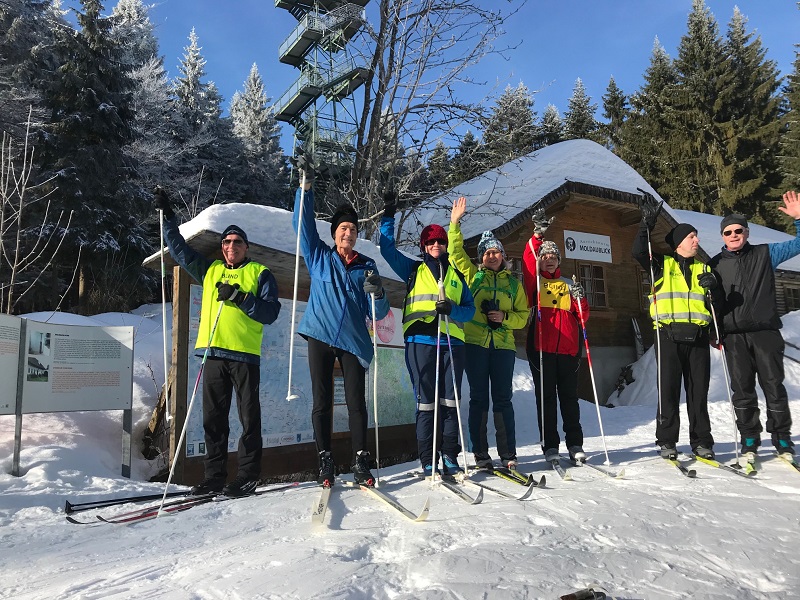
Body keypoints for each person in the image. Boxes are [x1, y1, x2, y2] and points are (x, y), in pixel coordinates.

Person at [153, 188, 281, 497]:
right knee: (213, 420)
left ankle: (248, 475)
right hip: (212, 353)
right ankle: (214, 476)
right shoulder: (210, 270)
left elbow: (269, 313)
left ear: (245, 246)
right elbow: (179, 250)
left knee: (249, 419)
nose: (231, 246)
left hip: (245, 356)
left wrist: (238, 296)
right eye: (226, 241)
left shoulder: (259, 272)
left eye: (237, 242)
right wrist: (168, 216)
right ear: (221, 247)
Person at [291, 157, 390, 488]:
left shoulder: (367, 265)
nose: (348, 233)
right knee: (321, 402)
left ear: (357, 235)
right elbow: (301, 227)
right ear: (334, 234)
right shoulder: (320, 255)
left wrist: (379, 294)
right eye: (342, 228)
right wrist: (306, 187)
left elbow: (377, 313)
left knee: (355, 403)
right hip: (319, 333)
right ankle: (325, 460)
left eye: (352, 229)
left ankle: (361, 460)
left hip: (353, 340)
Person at [379, 190, 475, 476]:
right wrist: (388, 214)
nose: (435, 244)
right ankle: (427, 457)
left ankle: (449, 455)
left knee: (449, 402)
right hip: (420, 341)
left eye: (439, 241)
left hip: (452, 343)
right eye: (430, 241)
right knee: (426, 402)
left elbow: (469, 310)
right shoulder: (413, 269)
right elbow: (386, 250)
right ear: (424, 246)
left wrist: (452, 311)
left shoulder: (456, 275)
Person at [708, 190, 800, 462]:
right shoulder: (714, 264)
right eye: (728, 232)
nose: (734, 235)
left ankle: (782, 440)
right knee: (742, 389)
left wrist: (798, 218)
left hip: (765, 333)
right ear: (723, 236)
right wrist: (715, 330)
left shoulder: (766, 254)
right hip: (734, 336)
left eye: (738, 230)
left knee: (773, 385)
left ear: (746, 233)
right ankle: (749, 439)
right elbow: (714, 304)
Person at [448, 197, 530, 470]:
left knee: (503, 399)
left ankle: (508, 454)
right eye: (486, 253)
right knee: (479, 398)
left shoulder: (514, 285)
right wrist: (454, 224)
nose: (492, 256)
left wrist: (504, 318)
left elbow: (523, 317)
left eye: (496, 252)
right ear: (481, 258)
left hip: (504, 346)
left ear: (503, 256)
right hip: (475, 345)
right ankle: (481, 454)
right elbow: (455, 254)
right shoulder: (473, 277)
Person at [633, 195, 716, 460]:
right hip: (667, 334)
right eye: (692, 236)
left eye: (697, 236)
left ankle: (702, 441)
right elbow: (638, 252)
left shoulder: (705, 268)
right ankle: (667, 441)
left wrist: (715, 287)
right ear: (679, 242)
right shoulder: (661, 265)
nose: (697, 241)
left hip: (699, 337)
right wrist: (646, 224)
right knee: (668, 390)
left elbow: (718, 305)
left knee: (698, 392)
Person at [522, 210, 589, 463]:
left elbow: (583, 318)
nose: (548, 259)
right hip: (542, 350)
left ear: (559, 260)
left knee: (570, 400)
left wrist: (581, 298)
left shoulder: (569, 284)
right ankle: (550, 445)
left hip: (569, 350)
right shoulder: (535, 283)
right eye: (545, 256)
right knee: (546, 399)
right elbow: (529, 258)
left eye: (553, 256)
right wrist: (538, 235)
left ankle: (575, 443)